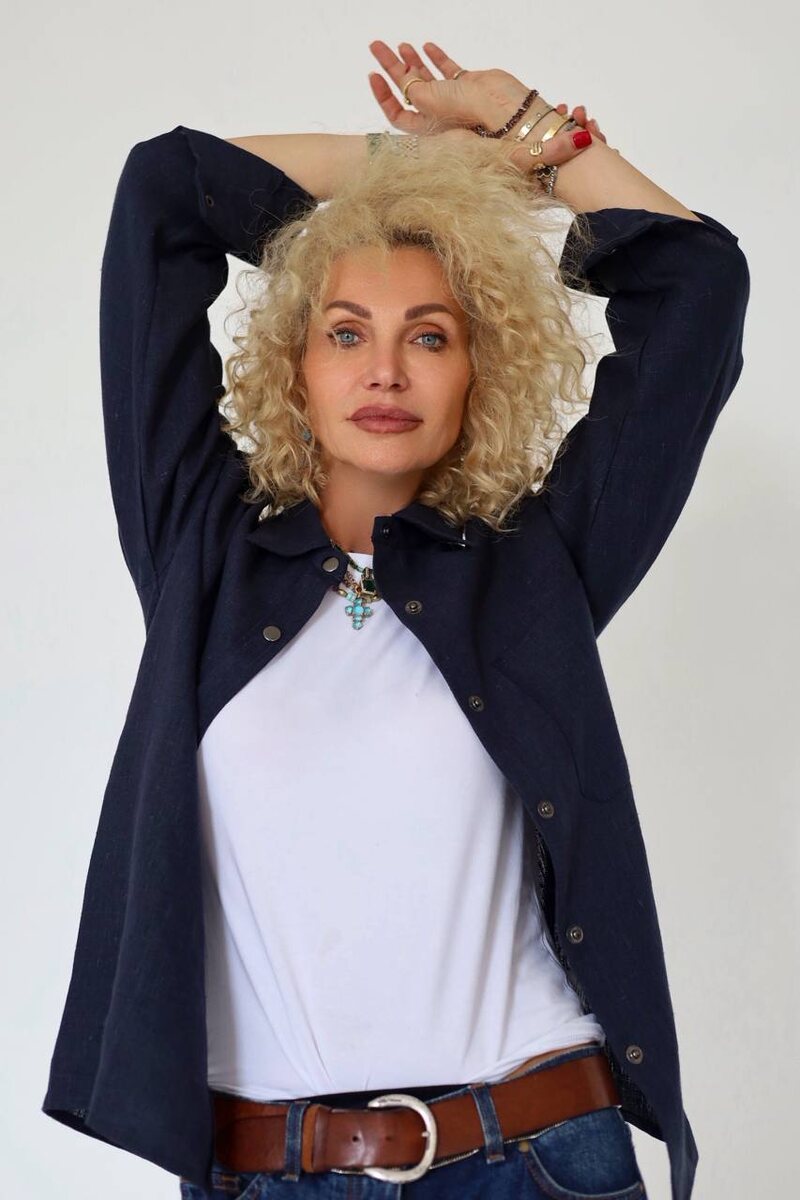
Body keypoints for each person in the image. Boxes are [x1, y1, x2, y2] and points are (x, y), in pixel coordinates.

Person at [41, 40, 750, 1200]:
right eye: (345, 332)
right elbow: (162, 191)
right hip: (265, 1170)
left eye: (428, 335)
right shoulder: (199, 554)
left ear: (478, 373)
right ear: (293, 368)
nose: (385, 371)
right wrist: (420, 169)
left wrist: (528, 135)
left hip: (534, 1158)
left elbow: (696, 290)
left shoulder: (533, 570)